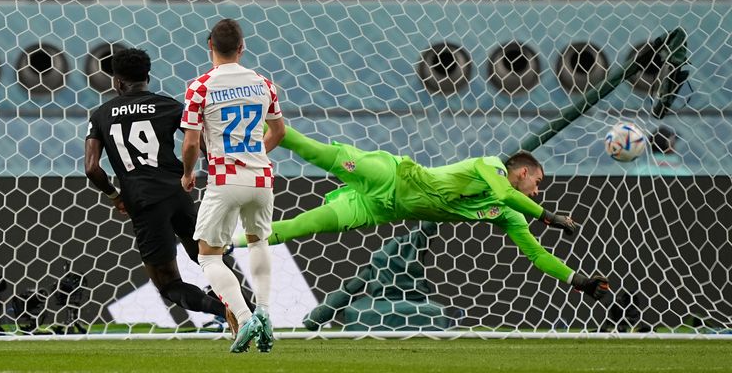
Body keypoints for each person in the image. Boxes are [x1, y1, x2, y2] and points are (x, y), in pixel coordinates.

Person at [235, 126, 611, 301]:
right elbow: (502, 191)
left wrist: (576, 280)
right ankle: (264, 115)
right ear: (523, 172)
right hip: (394, 175)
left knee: (300, 227)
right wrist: (547, 215)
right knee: (311, 150)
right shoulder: (491, 167)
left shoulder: (507, 213)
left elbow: (537, 255)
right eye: (537, 182)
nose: (537, 190)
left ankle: (220, 243)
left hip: (381, 208)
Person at [84, 48, 237, 330]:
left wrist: (115, 196)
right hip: (177, 194)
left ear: (117, 81)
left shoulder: (102, 115)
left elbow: (92, 168)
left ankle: (224, 312)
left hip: (142, 202)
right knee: (210, 257)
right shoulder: (168, 105)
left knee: (168, 283)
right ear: (148, 77)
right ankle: (248, 311)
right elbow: (202, 143)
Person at [181, 18, 286, 353]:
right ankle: (266, 313)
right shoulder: (264, 85)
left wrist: (187, 173)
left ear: (209, 45)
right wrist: (254, 154)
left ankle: (244, 316)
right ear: (242, 48)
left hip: (225, 180)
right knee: (259, 243)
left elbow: (191, 144)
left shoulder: (200, 87)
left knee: (209, 257)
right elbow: (279, 131)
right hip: (261, 179)